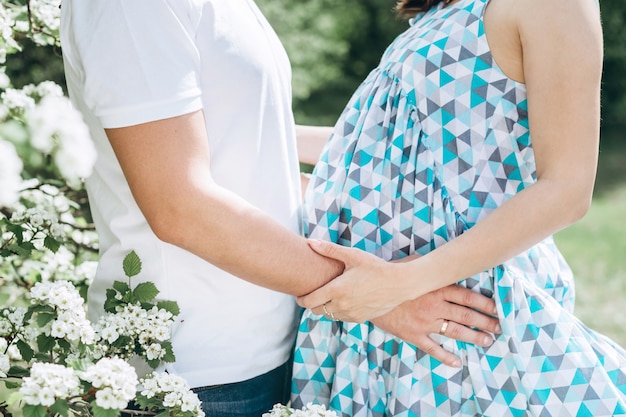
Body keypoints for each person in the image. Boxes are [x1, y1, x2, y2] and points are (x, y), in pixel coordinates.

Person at [59, 0, 501, 415]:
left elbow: (246, 143)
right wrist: (371, 296)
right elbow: (180, 206)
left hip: (281, 353)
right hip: (196, 374)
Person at [292, 0, 626, 415]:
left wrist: (401, 284)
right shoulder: (443, 9)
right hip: (383, 313)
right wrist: (260, 133)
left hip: (458, 312)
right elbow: (379, 142)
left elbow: (568, 188)